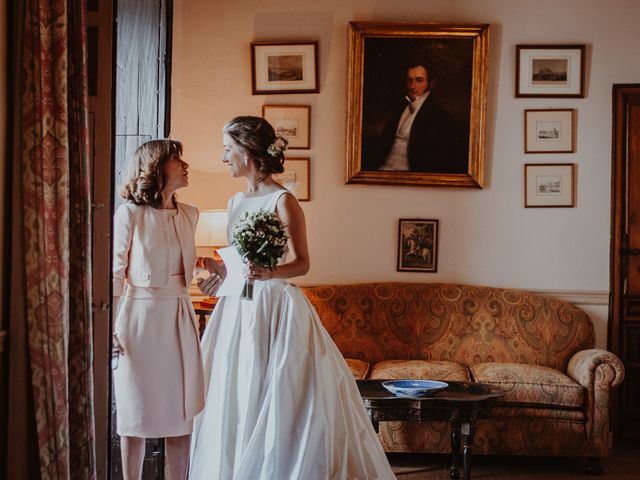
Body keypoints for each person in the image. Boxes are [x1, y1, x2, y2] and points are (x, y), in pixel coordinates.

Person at [190, 116, 396, 479]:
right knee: (236, 388)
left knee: (279, 391)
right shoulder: (235, 200)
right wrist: (217, 275)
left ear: (247, 151)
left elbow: (302, 263)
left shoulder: (284, 201)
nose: (224, 158)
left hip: (276, 308)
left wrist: (269, 273)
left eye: (227, 149)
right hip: (238, 308)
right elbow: (238, 264)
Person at [112, 139, 222, 480]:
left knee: (181, 415)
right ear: (157, 167)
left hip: (179, 317)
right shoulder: (129, 213)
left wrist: (214, 269)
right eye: (178, 159)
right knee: (135, 415)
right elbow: (115, 273)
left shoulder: (190, 214)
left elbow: (188, 264)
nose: (185, 165)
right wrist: (109, 329)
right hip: (138, 321)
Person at [366, 62, 467, 174]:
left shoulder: (441, 118)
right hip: (382, 171)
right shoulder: (400, 109)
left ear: (431, 83)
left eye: (419, 80)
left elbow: (441, 162)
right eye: (410, 80)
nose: (412, 86)